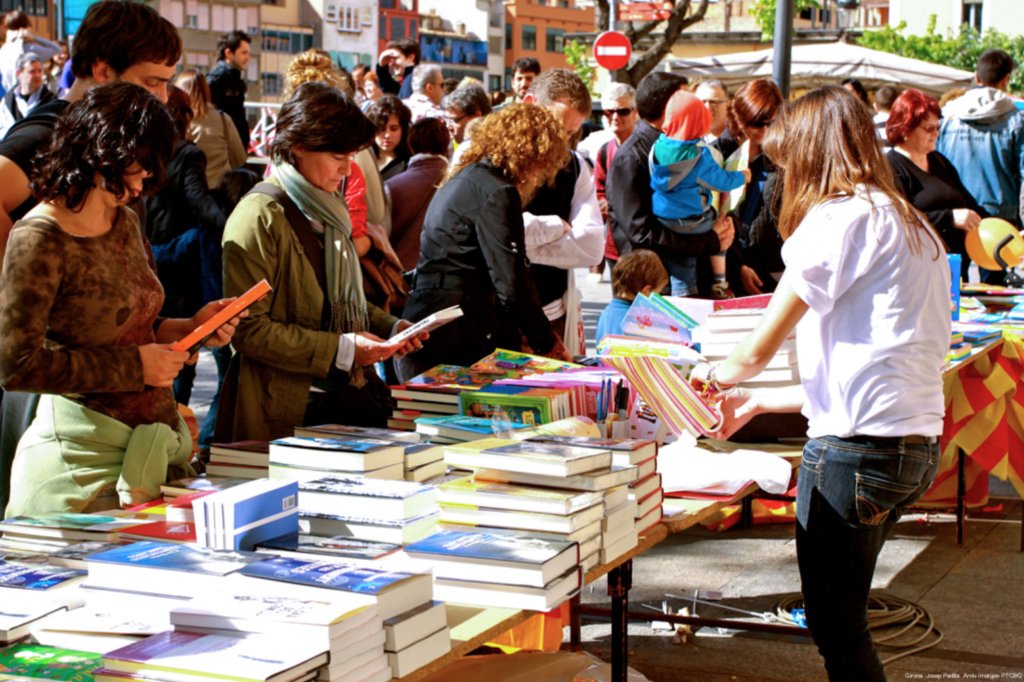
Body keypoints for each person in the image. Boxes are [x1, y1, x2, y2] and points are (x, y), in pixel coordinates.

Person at [699, 85, 949, 682]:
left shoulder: (836, 220)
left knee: (838, 628)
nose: (784, 176)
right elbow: (867, 367)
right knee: (844, 622)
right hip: (911, 447)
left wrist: (702, 377)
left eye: (787, 161)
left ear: (810, 153)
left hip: (855, 454)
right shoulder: (910, 224)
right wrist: (757, 402)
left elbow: (756, 348)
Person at [0, 82, 243, 517]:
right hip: (80, 468)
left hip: (146, 450)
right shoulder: (39, 236)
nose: (143, 181)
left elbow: (136, 328)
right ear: (101, 151)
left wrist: (190, 329)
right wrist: (136, 366)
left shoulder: (125, 221)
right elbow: (15, 365)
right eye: (139, 166)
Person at [218, 82, 424, 442]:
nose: (347, 170)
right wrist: (344, 349)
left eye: (352, 157)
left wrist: (392, 328)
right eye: (338, 156)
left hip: (342, 398)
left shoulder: (330, 210)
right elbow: (249, 331)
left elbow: (338, 304)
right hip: (285, 409)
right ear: (299, 146)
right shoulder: (259, 216)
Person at [396, 104, 572, 382]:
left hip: (429, 323)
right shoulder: (497, 191)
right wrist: (546, 341)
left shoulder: (463, 178)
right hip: (457, 338)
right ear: (533, 156)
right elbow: (511, 279)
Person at [0, 0, 181, 249]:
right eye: (151, 83)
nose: (163, 97)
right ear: (103, 71)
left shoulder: (108, 132)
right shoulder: (49, 133)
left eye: (166, 84)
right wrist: (16, 269)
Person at [608, 71, 735, 297]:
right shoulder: (632, 157)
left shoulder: (681, 145)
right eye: (687, 99)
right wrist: (707, 240)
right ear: (669, 106)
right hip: (659, 288)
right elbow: (642, 233)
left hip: (698, 274)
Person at [521, 68, 603, 357]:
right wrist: (555, 227)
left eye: (569, 132)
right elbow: (485, 231)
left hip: (550, 310)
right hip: (493, 315)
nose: (560, 140)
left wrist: (515, 247)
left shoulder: (574, 166)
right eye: (556, 126)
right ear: (531, 103)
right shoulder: (482, 155)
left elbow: (592, 246)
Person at [650, 89, 749, 298]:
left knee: (679, 261)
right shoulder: (698, 155)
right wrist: (743, 176)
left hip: (662, 217)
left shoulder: (657, 146)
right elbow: (721, 182)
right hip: (692, 221)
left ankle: (679, 290)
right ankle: (719, 281)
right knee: (721, 224)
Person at [937, 48, 1024, 283]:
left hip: (957, 212)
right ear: (1006, 80)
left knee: (954, 286)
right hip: (999, 213)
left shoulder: (948, 115)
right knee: (995, 292)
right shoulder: (1015, 118)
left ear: (977, 77)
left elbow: (935, 160)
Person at [886, 88, 987, 278]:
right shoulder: (891, 167)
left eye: (937, 127)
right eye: (928, 128)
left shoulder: (938, 160)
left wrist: (1006, 229)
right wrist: (949, 218)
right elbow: (900, 221)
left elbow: (968, 203)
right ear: (905, 129)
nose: (936, 133)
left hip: (955, 268)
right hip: (918, 272)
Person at [711, 78, 785, 296]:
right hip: (723, 267)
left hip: (766, 266)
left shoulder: (775, 155)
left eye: (771, 123)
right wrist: (737, 266)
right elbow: (712, 219)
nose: (765, 130)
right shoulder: (718, 153)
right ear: (741, 117)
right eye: (758, 123)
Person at [386, 117, 450, 272]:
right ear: (446, 145)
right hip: (448, 276)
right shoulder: (462, 182)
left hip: (402, 275)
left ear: (411, 145)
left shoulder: (392, 186)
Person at [592, 83, 639, 279]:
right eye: (609, 111)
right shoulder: (604, 151)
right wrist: (602, 203)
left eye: (622, 111)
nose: (614, 117)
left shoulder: (646, 148)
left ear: (635, 112)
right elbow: (598, 191)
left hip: (642, 246)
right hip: (613, 246)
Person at [175, 69, 246, 188]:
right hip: (220, 192)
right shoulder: (223, 119)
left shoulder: (178, 121)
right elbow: (239, 158)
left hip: (186, 192)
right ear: (206, 90)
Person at [595, 249, 668, 343]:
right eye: (659, 292)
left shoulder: (606, 313)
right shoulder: (636, 322)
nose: (659, 296)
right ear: (646, 291)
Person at [207, 30, 251, 152]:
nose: (248, 58)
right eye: (244, 53)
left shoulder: (235, 78)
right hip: (223, 146)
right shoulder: (216, 79)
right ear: (229, 53)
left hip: (234, 145)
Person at [0, 11, 62, 93]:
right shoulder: (28, 49)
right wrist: (33, 37)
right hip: (26, 95)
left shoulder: (4, 49)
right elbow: (56, 49)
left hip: (7, 96)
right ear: (25, 27)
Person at [0, 52, 55, 138]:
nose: (37, 75)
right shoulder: (7, 102)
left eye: (40, 71)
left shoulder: (52, 101)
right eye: (32, 71)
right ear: (18, 73)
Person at [365, 95, 412, 182]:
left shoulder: (410, 163)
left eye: (394, 129)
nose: (387, 135)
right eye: (381, 129)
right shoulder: (362, 157)